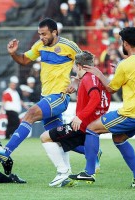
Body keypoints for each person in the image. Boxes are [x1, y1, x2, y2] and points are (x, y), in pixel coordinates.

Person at [0, 18, 82, 171]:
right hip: (46, 96)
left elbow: (87, 62)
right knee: (59, 138)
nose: (41, 37)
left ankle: (6, 151)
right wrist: (13, 54)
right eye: (39, 34)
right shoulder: (40, 46)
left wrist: (76, 81)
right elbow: (24, 60)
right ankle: (93, 152)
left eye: (44, 34)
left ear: (54, 32)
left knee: (30, 113)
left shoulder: (68, 46)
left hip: (60, 96)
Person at [69, 27, 135, 187]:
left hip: (132, 114)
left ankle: (89, 173)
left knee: (91, 128)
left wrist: (98, 73)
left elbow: (111, 88)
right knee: (119, 138)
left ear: (125, 43)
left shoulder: (126, 64)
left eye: (121, 42)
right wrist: (123, 73)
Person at [40, 51, 111, 187]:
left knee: (45, 137)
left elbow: (95, 98)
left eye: (74, 66)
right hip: (92, 124)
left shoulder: (88, 79)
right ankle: (66, 175)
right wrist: (78, 81)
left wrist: (80, 117)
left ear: (79, 66)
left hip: (82, 124)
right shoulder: (96, 78)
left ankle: (63, 172)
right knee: (60, 142)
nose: (73, 69)